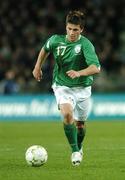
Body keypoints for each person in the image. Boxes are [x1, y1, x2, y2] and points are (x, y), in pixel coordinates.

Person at [33, 10, 101, 166]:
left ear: (81, 30)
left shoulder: (85, 44)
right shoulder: (56, 40)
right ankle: (75, 151)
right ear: (66, 27)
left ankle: (79, 145)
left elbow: (96, 68)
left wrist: (79, 73)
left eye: (75, 30)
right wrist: (37, 67)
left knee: (80, 125)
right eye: (69, 28)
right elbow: (45, 49)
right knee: (67, 114)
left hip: (83, 88)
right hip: (62, 86)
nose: (71, 32)